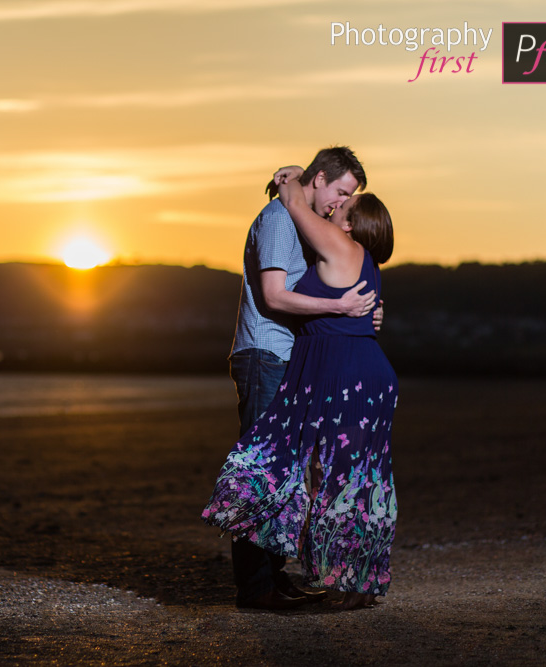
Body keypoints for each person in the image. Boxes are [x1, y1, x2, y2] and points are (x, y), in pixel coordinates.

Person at [204, 165, 397, 612]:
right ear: (321, 177)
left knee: (321, 476)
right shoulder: (297, 227)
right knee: (333, 476)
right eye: (341, 192)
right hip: (297, 363)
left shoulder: (332, 240)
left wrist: (290, 177)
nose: (337, 203)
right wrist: (348, 310)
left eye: (346, 201)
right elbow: (276, 293)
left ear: (350, 223)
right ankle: (285, 582)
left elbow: (296, 199)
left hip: (342, 376)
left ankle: (283, 583)